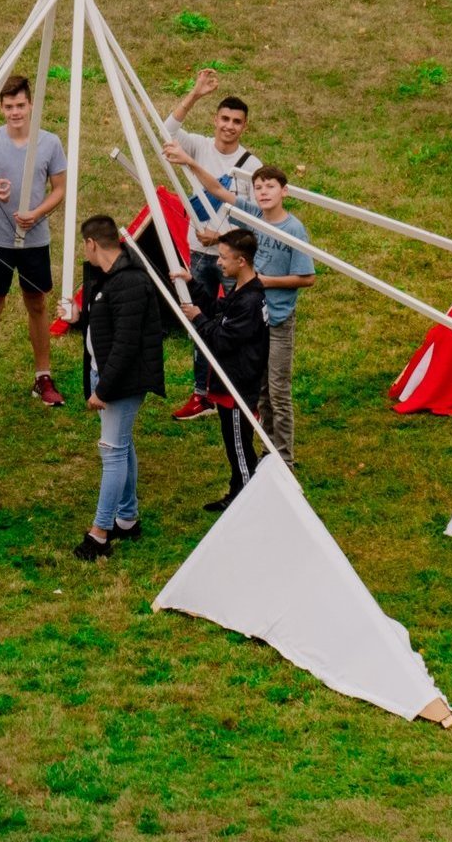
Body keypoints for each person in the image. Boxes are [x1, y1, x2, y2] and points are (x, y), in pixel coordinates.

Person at [164, 156, 315, 464]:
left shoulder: (294, 229)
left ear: (284, 191)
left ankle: (283, 457)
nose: (263, 192)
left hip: (278, 318)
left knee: (277, 389)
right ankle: (267, 449)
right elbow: (218, 191)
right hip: (251, 317)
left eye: (270, 186)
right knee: (259, 387)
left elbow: (308, 277)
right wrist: (189, 162)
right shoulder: (253, 214)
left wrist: (265, 282)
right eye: (258, 187)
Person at [0, 74, 68, 410]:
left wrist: (36, 213)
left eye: (20, 105)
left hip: (35, 240)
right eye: (9, 107)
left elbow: (60, 190)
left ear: (31, 105)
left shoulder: (49, 142)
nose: (15, 112)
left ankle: (43, 377)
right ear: (1, 107)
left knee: (37, 305)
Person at [161, 68, 261, 422]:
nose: (229, 126)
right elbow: (165, 131)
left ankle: (241, 395)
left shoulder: (251, 166)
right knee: (200, 322)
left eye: (236, 121)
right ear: (215, 119)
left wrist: (219, 238)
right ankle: (201, 394)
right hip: (199, 255)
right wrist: (195, 93)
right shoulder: (199, 145)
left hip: (235, 260)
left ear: (244, 127)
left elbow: (251, 217)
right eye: (224, 118)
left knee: (239, 327)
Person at [70, 215, 166, 561]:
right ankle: (127, 518)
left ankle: (99, 534)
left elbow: (126, 345)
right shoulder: (109, 278)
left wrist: (103, 390)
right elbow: (106, 327)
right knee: (122, 447)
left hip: (121, 383)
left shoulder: (129, 283)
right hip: (110, 378)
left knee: (112, 452)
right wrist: (78, 318)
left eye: (85, 246)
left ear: (92, 244)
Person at [177, 230, 269, 512]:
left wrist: (198, 319)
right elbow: (219, 310)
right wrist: (192, 284)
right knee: (233, 444)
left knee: (240, 446)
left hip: (239, 384)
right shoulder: (241, 290)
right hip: (230, 380)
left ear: (241, 261)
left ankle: (246, 499)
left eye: (223, 257)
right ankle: (237, 491)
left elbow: (222, 338)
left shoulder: (250, 301)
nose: (218, 263)